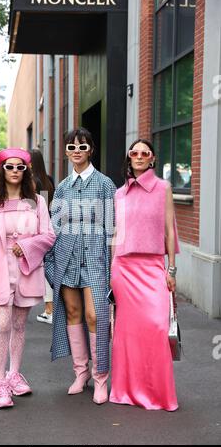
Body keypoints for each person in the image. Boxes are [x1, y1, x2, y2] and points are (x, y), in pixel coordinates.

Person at [0, 148, 56, 409]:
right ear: (2, 170)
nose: (15, 171)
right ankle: (0, 384)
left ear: (26, 170)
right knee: (3, 324)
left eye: (20, 167)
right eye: (10, 167)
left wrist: (28, 246)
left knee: (20, 325)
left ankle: (14, 374)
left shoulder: (36, 202)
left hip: (26, 269)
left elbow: (49, 235)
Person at [45, 127, 116, 404]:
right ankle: (80, 372)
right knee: (72, 311)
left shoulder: (105, 184)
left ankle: (101, 377)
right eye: (72, 147)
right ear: (65, 151)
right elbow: (53, 227)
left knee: (95, 315)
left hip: (95, 257)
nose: (77, 151)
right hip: (66, 255)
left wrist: (113, 267)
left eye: (82, 147)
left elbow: (112, 231)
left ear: (91, 150)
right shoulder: (61, 187)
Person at [110, 138, 179, 411]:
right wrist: (111, 270)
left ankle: (158, 395)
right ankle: (126, 390)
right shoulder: (119, 194)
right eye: (134, 152)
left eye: (144, 153)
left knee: (157, 328)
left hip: (152, 268)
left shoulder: (164, 188)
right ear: (130, 157)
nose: (139, 156)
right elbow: (116, 233)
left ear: (152, 159)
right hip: (123, 269)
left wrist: (171, 269)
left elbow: (169, 231)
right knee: (127, 335)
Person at [30, 148, 55, 324]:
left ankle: (49, 310)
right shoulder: (49, 180)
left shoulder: (33, 182)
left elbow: (34, 207)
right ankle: (51, 309)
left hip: (38, 227)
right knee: (48, 266)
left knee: (43, 269)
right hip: (50, 224)